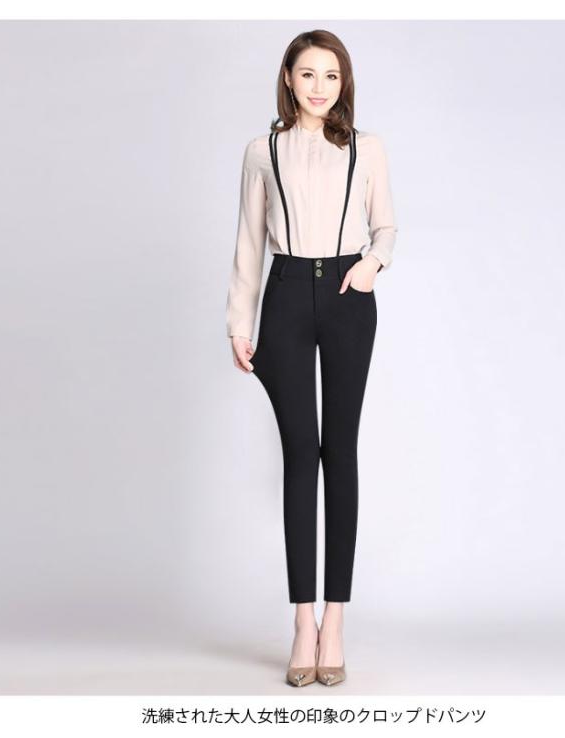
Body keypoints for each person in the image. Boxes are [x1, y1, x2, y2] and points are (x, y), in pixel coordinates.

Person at [225, 30, 397, 686]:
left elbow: (386, 225)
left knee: (339, 452)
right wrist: (239, 324)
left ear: (342, 82)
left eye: (331, 75)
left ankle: (336, 621)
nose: (319, 86)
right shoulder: (262, 151)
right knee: (301, 455)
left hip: (350, 295)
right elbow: (248, 241)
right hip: (288, 293)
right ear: (288, 79)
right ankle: (302, 622)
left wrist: (373, 264)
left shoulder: (366, 148)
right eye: (307, 74)